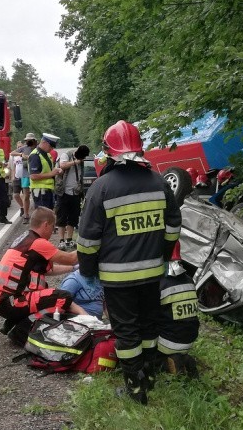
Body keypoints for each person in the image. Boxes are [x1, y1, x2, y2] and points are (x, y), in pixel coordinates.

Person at [76, 120, 181, 405]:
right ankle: (148, 376)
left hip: (117, 278)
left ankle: (136, 389)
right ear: (140, 150)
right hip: (153, 273)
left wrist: (88, 272)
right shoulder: (159, 182)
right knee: (149, 326)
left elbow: (87, 240)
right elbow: (173, 227)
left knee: (127, 332)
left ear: (109, 152)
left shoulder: (101, 188)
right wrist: (162, 253)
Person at [0, 207, 87, 334]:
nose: (53, 231)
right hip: (12, 302)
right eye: (53, 227)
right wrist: (89, 243)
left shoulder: (25, 240)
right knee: (62, 297)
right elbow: (72, 258)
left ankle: (15, 321)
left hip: (4, 301)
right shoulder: (38, 243)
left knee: (47, 294)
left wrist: (72, 269)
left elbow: (47, 270)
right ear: (46, 225)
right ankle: (24, 326)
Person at [56, 145, 90, 250]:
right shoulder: (67, 155)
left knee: (73, 217)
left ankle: (69, 240)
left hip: (76, 192)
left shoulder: (82, 159)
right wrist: (75, 162)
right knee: (61, 216)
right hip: (64, 192)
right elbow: (62, 165)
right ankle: (61, 241)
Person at [29, 133, 62, 211]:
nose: (51, 148)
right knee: (43, 216)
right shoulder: (35, 155)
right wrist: (51, 174)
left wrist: (56, 170)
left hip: (48, 190)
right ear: (44, 142)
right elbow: (33, 176)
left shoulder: (47, 155)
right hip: (40, 191)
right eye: (50, 146)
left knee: (48, 215)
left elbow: (48, 170)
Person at [19, 133, 38, 222]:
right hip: (25, 174)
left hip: (36, 174)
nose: (28, 142)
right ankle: (26, 215)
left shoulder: (38, 148)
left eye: (30, 140)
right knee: (26, 195)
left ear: (34, 141)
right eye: (27, 140)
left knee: (36, 195)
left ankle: (37, 216)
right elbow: (12, 153)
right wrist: (21, 155)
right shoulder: (24, 148)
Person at [8, 139, 25, 218]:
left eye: (20, 147)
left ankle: (25, 209)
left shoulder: (25, 154)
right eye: (18, 147)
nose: (19, 148)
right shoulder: (14, 156)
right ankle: (22, 207)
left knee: (25, 195)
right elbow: (13, 166)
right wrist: (12, 176)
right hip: (17, 177)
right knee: (16, 195)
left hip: (25, 176)